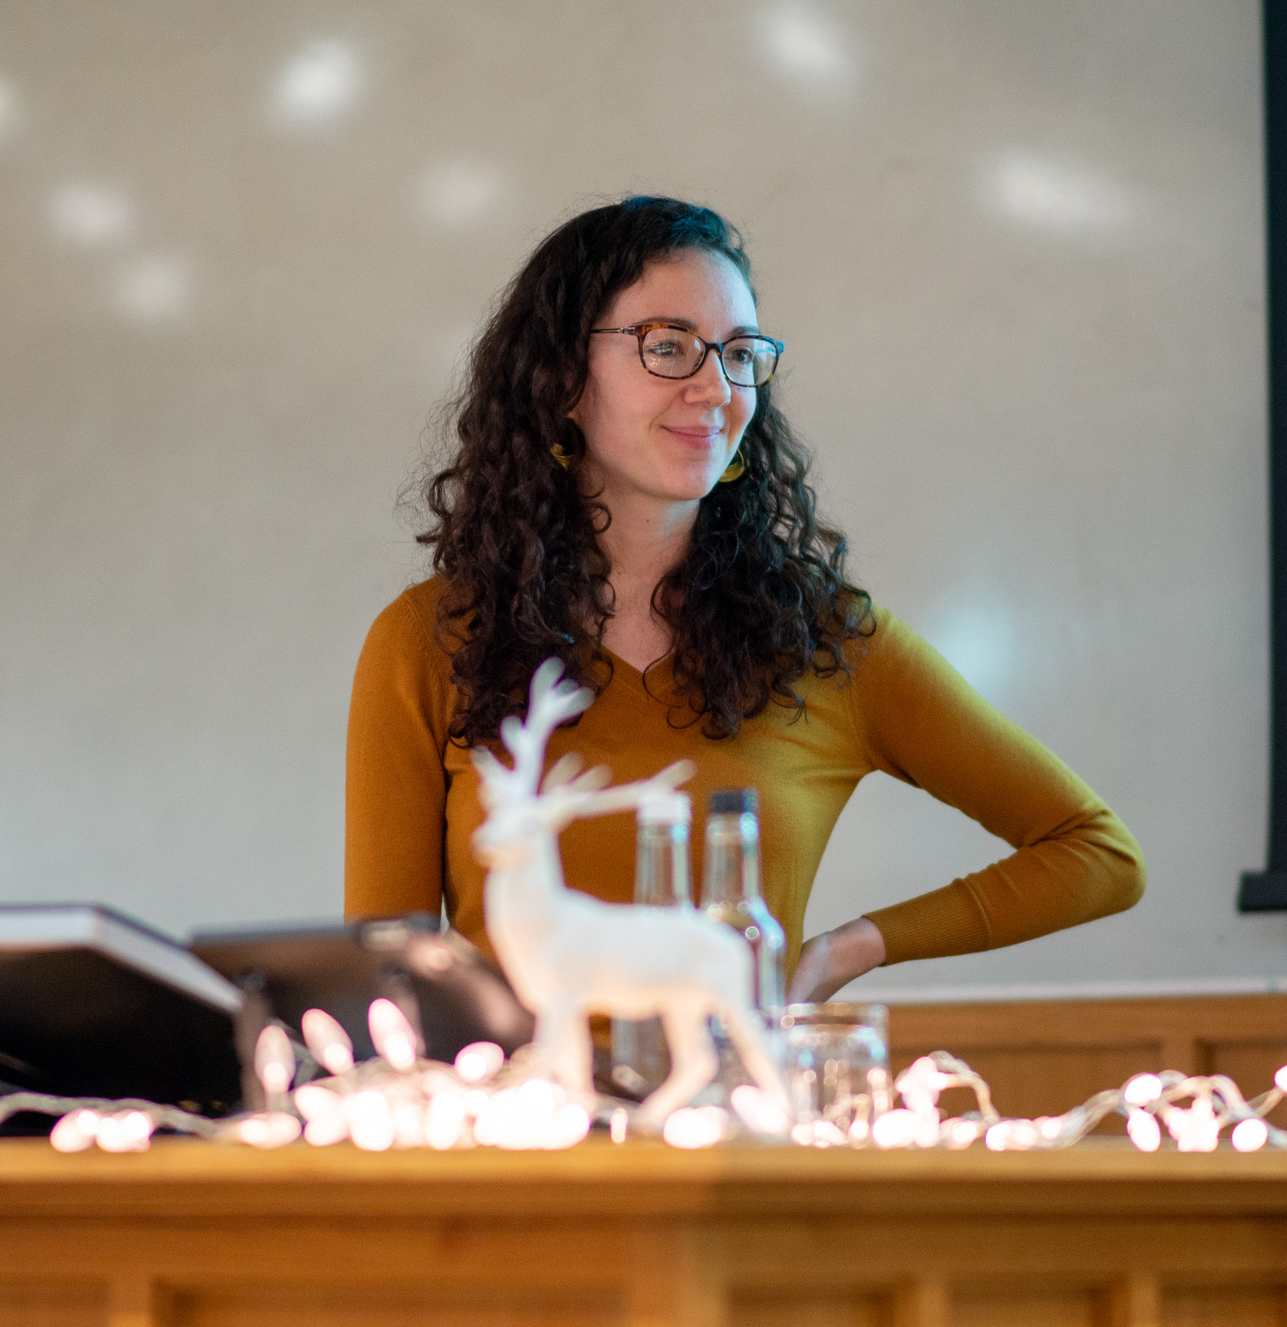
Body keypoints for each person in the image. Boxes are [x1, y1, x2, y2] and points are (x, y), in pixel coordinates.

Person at [345, 195, 1144, 1002]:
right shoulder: (428, 639)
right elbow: (382, 973)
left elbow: (1097, 852)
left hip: (742, 1083)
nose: (715, 388)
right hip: (514, 1085)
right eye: (668, 347)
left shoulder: (824, 638)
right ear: (561, 379)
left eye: (739, 354)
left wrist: (852, 949)